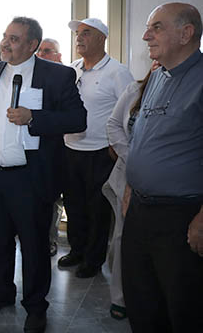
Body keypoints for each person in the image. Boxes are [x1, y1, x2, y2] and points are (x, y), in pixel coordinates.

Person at [0, 17, 86, 333]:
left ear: (33, 45)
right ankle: (1, 293)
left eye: (14, 39)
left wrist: (35, 117)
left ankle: (35, 306)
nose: (5, 43)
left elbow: (78, 119)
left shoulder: (58, 75)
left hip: (30, 179)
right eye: (5, 36)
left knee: (34, 246)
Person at [122, 2, 203, 333]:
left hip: (181, 217)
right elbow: (142, 137)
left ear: (186, 34)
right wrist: (131, 186)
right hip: (140, 211)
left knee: (183, 307)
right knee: (141, 301)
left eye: (156, 28)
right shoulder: (156, 76)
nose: (146, 36)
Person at [59, 18, 133, 278]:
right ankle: (77, 251)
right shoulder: (72, 70)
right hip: (70, 149)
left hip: (101, 153)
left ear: (102, 38)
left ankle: (93, 260)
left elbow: (130, 112)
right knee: (73, 206)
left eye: (86, 33)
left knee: (97, 210)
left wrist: (117, 145)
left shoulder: (117, 72)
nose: (79, 38)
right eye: (78, 33)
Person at [104, 60, 158, 321]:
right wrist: (132, 156)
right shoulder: (135, 90)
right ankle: (120, 297)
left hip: (167, 181)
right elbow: (114, 125)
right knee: (122, 237)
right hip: (127, 173)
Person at [36, 38, 65, 257]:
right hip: (36, 151)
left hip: (63, 150)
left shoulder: (65, 78)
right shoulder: (33, 77)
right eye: (40, 51)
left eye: (47, 51)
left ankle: (50, 240)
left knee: (54, 199)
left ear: (59, 56)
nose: (42, 55)